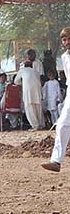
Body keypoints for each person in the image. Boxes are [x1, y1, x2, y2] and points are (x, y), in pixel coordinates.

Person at [42, 27, 70, 172]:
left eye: (69, 38)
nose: (67, 42)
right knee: (62, 124)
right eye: (64, 40)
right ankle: (56, 161)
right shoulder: (64, 57)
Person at [14, 61, 44, 130]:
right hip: (37, 90)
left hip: (28, 91)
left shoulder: (22, 70)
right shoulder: (36, 71)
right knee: (38, 107)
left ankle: (35, 125)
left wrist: (22, 83)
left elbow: (16, 81)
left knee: (29, 108)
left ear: (24, 66)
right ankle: (41, 124)